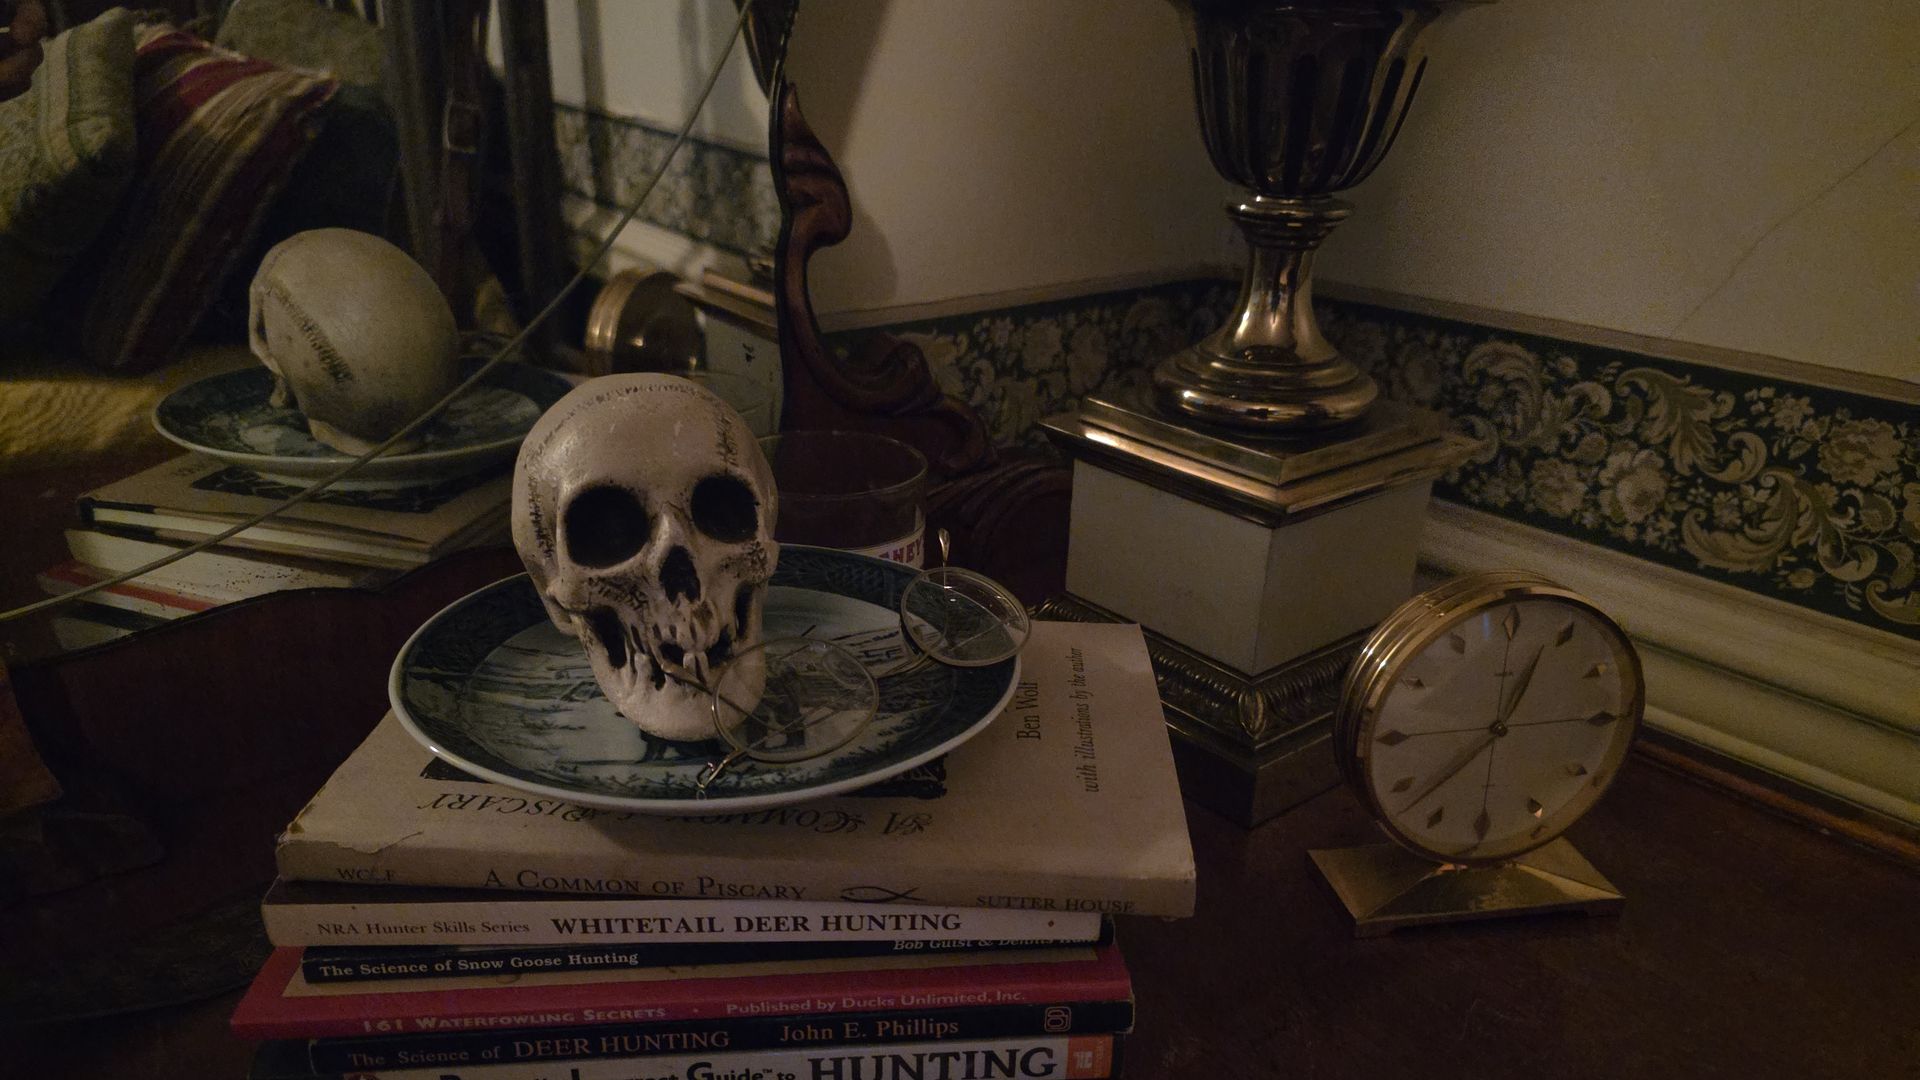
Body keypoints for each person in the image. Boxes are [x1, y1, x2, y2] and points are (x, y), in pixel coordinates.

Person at [0, 1, 49, 103]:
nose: (31, 29)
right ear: (14, 21)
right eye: (27, 21)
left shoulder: (34, 54)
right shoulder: (5, 40)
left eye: (36, 26)